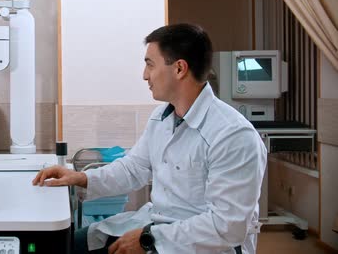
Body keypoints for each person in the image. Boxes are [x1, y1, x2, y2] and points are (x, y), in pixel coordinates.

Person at [33, 24, 267, 254]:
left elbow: (226, 227)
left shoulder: (233, 135)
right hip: (156, 228)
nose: (145, 75)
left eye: (150, 65)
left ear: (179, 69)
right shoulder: (162, 118)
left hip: (202, 244)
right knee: (65, 244)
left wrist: (148, 239)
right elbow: (134, 168)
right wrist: (81, 178)